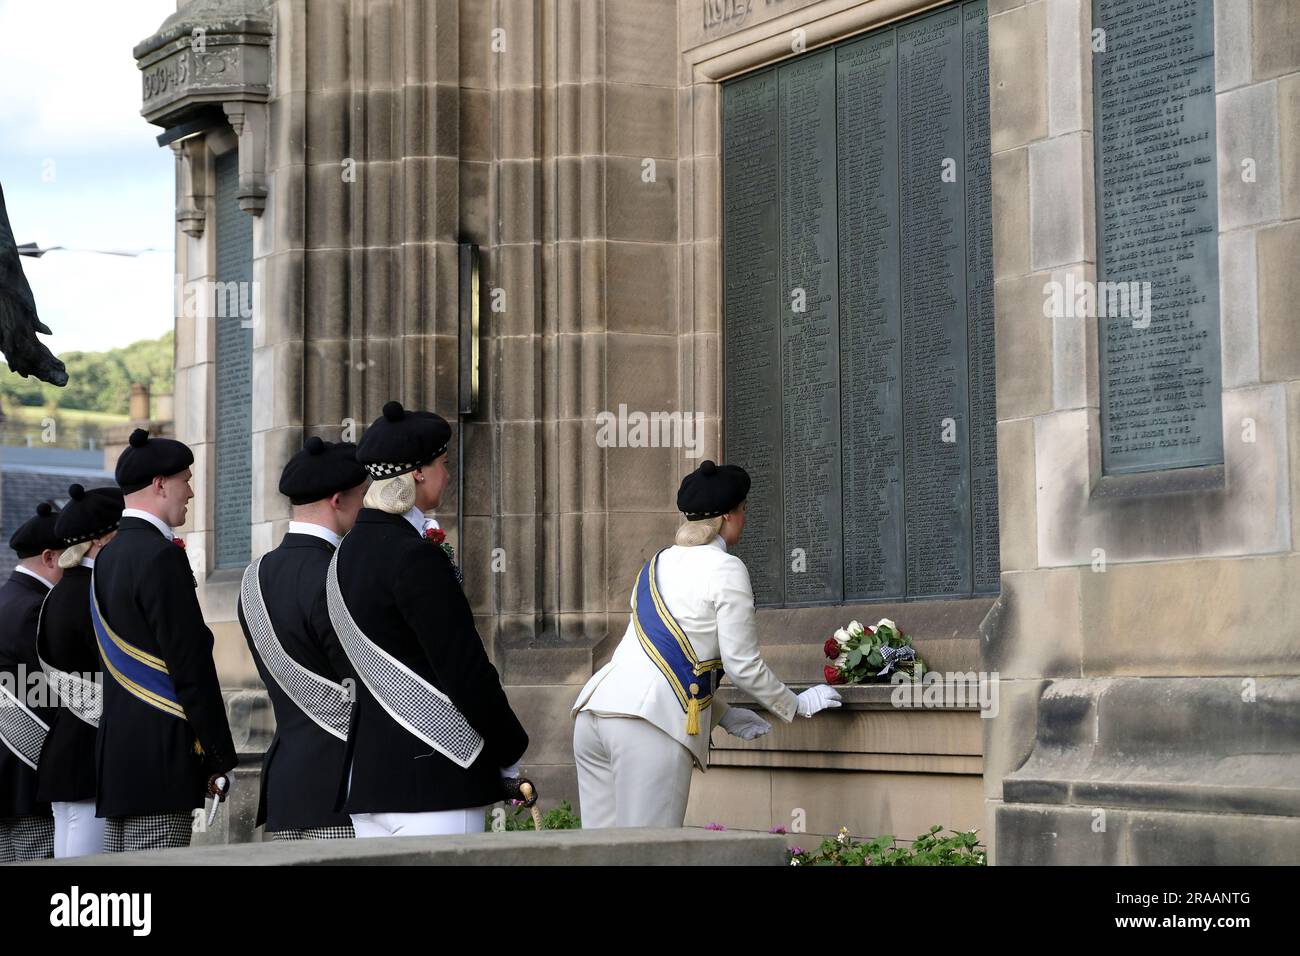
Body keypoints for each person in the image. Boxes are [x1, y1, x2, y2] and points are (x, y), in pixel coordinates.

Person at [572, 459, 843, 828]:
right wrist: (795, 704)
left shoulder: (654, 564)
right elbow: (741, 666)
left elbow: (658, 660)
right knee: (651, 857)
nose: (744, 519)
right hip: (647, 728)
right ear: (729, 517)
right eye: (744, 510)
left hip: (594, 716)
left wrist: (725, 715)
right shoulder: (727, 568)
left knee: (601, 856)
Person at [328, 401, 528, 837]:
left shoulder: (342, 555)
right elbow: (463, 667)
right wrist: (510, 748)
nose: (448, 473)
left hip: (368, 779)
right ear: (417, 472)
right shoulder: (414, 555)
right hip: (436, 779)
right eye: (442, 463)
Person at [92, 428, 237, 852]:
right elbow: (189, 661)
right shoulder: (160, 556)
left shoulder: (106, 557)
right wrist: (217, 754)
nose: (190, 492)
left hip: (118, 756)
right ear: (160, 484)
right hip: (162, 755)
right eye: (186, 480)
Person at [237, 436, 368, 840]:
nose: (367, 506)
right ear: (337, 499)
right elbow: (364, 683)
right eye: (362, 495)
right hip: (343, 785)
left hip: (287, 787)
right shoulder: (342, 575)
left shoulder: (252, 579)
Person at [35, 484, 124, 858]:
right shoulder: (94, 592)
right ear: (102, 540)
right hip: (89, 746)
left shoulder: (58, 592)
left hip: (66, 745)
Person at [0, 501, 63, 862]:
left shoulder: (7, 599)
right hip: (27, 779)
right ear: (50, 557)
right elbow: (55, 691)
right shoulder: (35, 608)